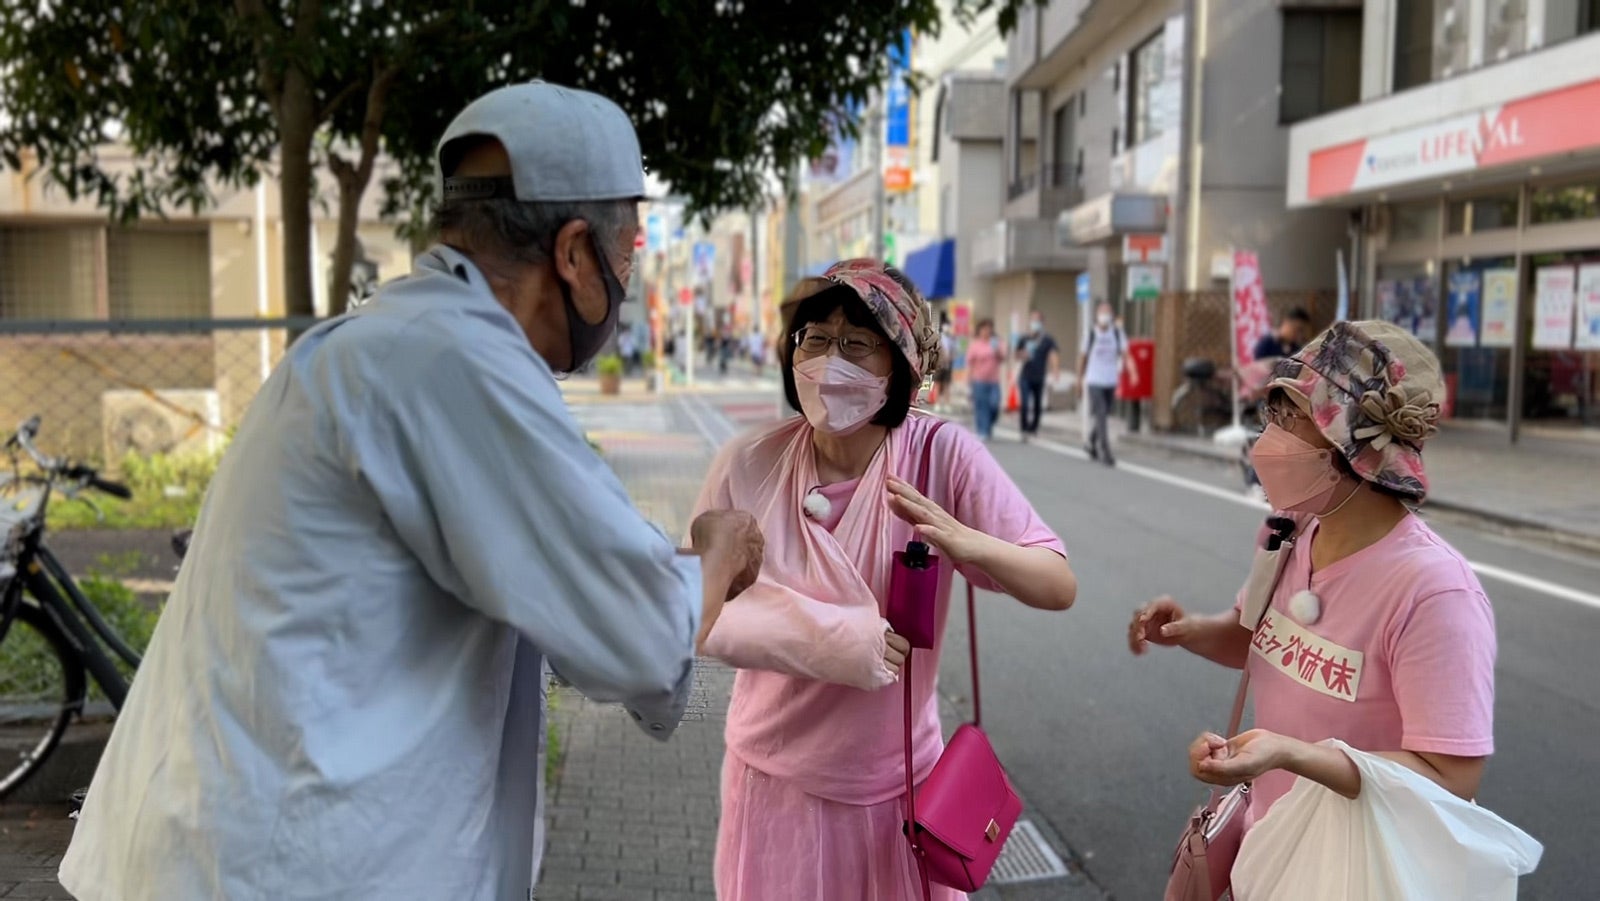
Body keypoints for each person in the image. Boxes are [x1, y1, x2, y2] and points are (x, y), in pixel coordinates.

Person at [59, 81, 765, 901]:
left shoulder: (371, 341)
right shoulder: (458, 363)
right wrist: (717, 552)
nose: (627, 281)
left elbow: (566, 586)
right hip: (290, 866)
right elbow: (641, 634)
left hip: (211, 842)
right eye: (628, 255)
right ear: (574, 253)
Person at [695, 259, 1078, 900]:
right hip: (771, 785)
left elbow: (1056, 581)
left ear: (897, 365)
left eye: (857, 342)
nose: (829, 362)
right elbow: (696, 612)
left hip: (895, 794)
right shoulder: (748, 462)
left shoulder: (940, 457)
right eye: (815, 339)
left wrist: (964, 540)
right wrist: (839, 640)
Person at [1128, 321, 1496, 864]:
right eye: (1270, 416)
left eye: (1290, 418)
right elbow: (1255, 640)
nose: (1268, 439)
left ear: (1348, 443)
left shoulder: (1435, 594)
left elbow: (1452, 776)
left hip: (1364, 871)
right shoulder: (1289, 530)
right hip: (1270, 853)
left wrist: (1293, 755)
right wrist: (1190, 632)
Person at [1077, 301, 1133, 466]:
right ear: (1097, 315)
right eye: (1102, 312)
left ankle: (1090, 442)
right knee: (1100, 413)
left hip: (1110, 379)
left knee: (1103, 414)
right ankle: (1105, 451)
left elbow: (1125, 354)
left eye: (1108, 312)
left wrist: (1133, 371)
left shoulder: (1117, 333)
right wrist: (1080, 379)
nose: (1105, 315)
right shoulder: (1090, 334)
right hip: (1094, 379)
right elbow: (1082, 358)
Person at [1013, 309, 1060, 441]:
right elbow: (1016, 355)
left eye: (1038, 320)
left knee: (1038, 404)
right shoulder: (1024, 338)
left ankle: (1033, 428)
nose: (1035, 323)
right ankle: (1023, 429)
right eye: (1033, 320)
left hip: (1039, 376)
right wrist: (1024, 354)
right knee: (1025, 403)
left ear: (1042, 322)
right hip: (1025, 375)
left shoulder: (1047, 339)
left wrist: (1055, 370)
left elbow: (1053, 354)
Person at [966, 318, 1003, 440]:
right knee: (981, 406)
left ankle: (989, 425)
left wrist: (996, 350)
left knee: (994, 405)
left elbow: (1003, 357)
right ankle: (983, 430)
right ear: (980, 331)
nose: (986, 331)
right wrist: (969, 380)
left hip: (994, 381)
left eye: (988, 329)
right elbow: (970, 364)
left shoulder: (996, 342)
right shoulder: (975, 345)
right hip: (979, 381)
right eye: (984, 329)